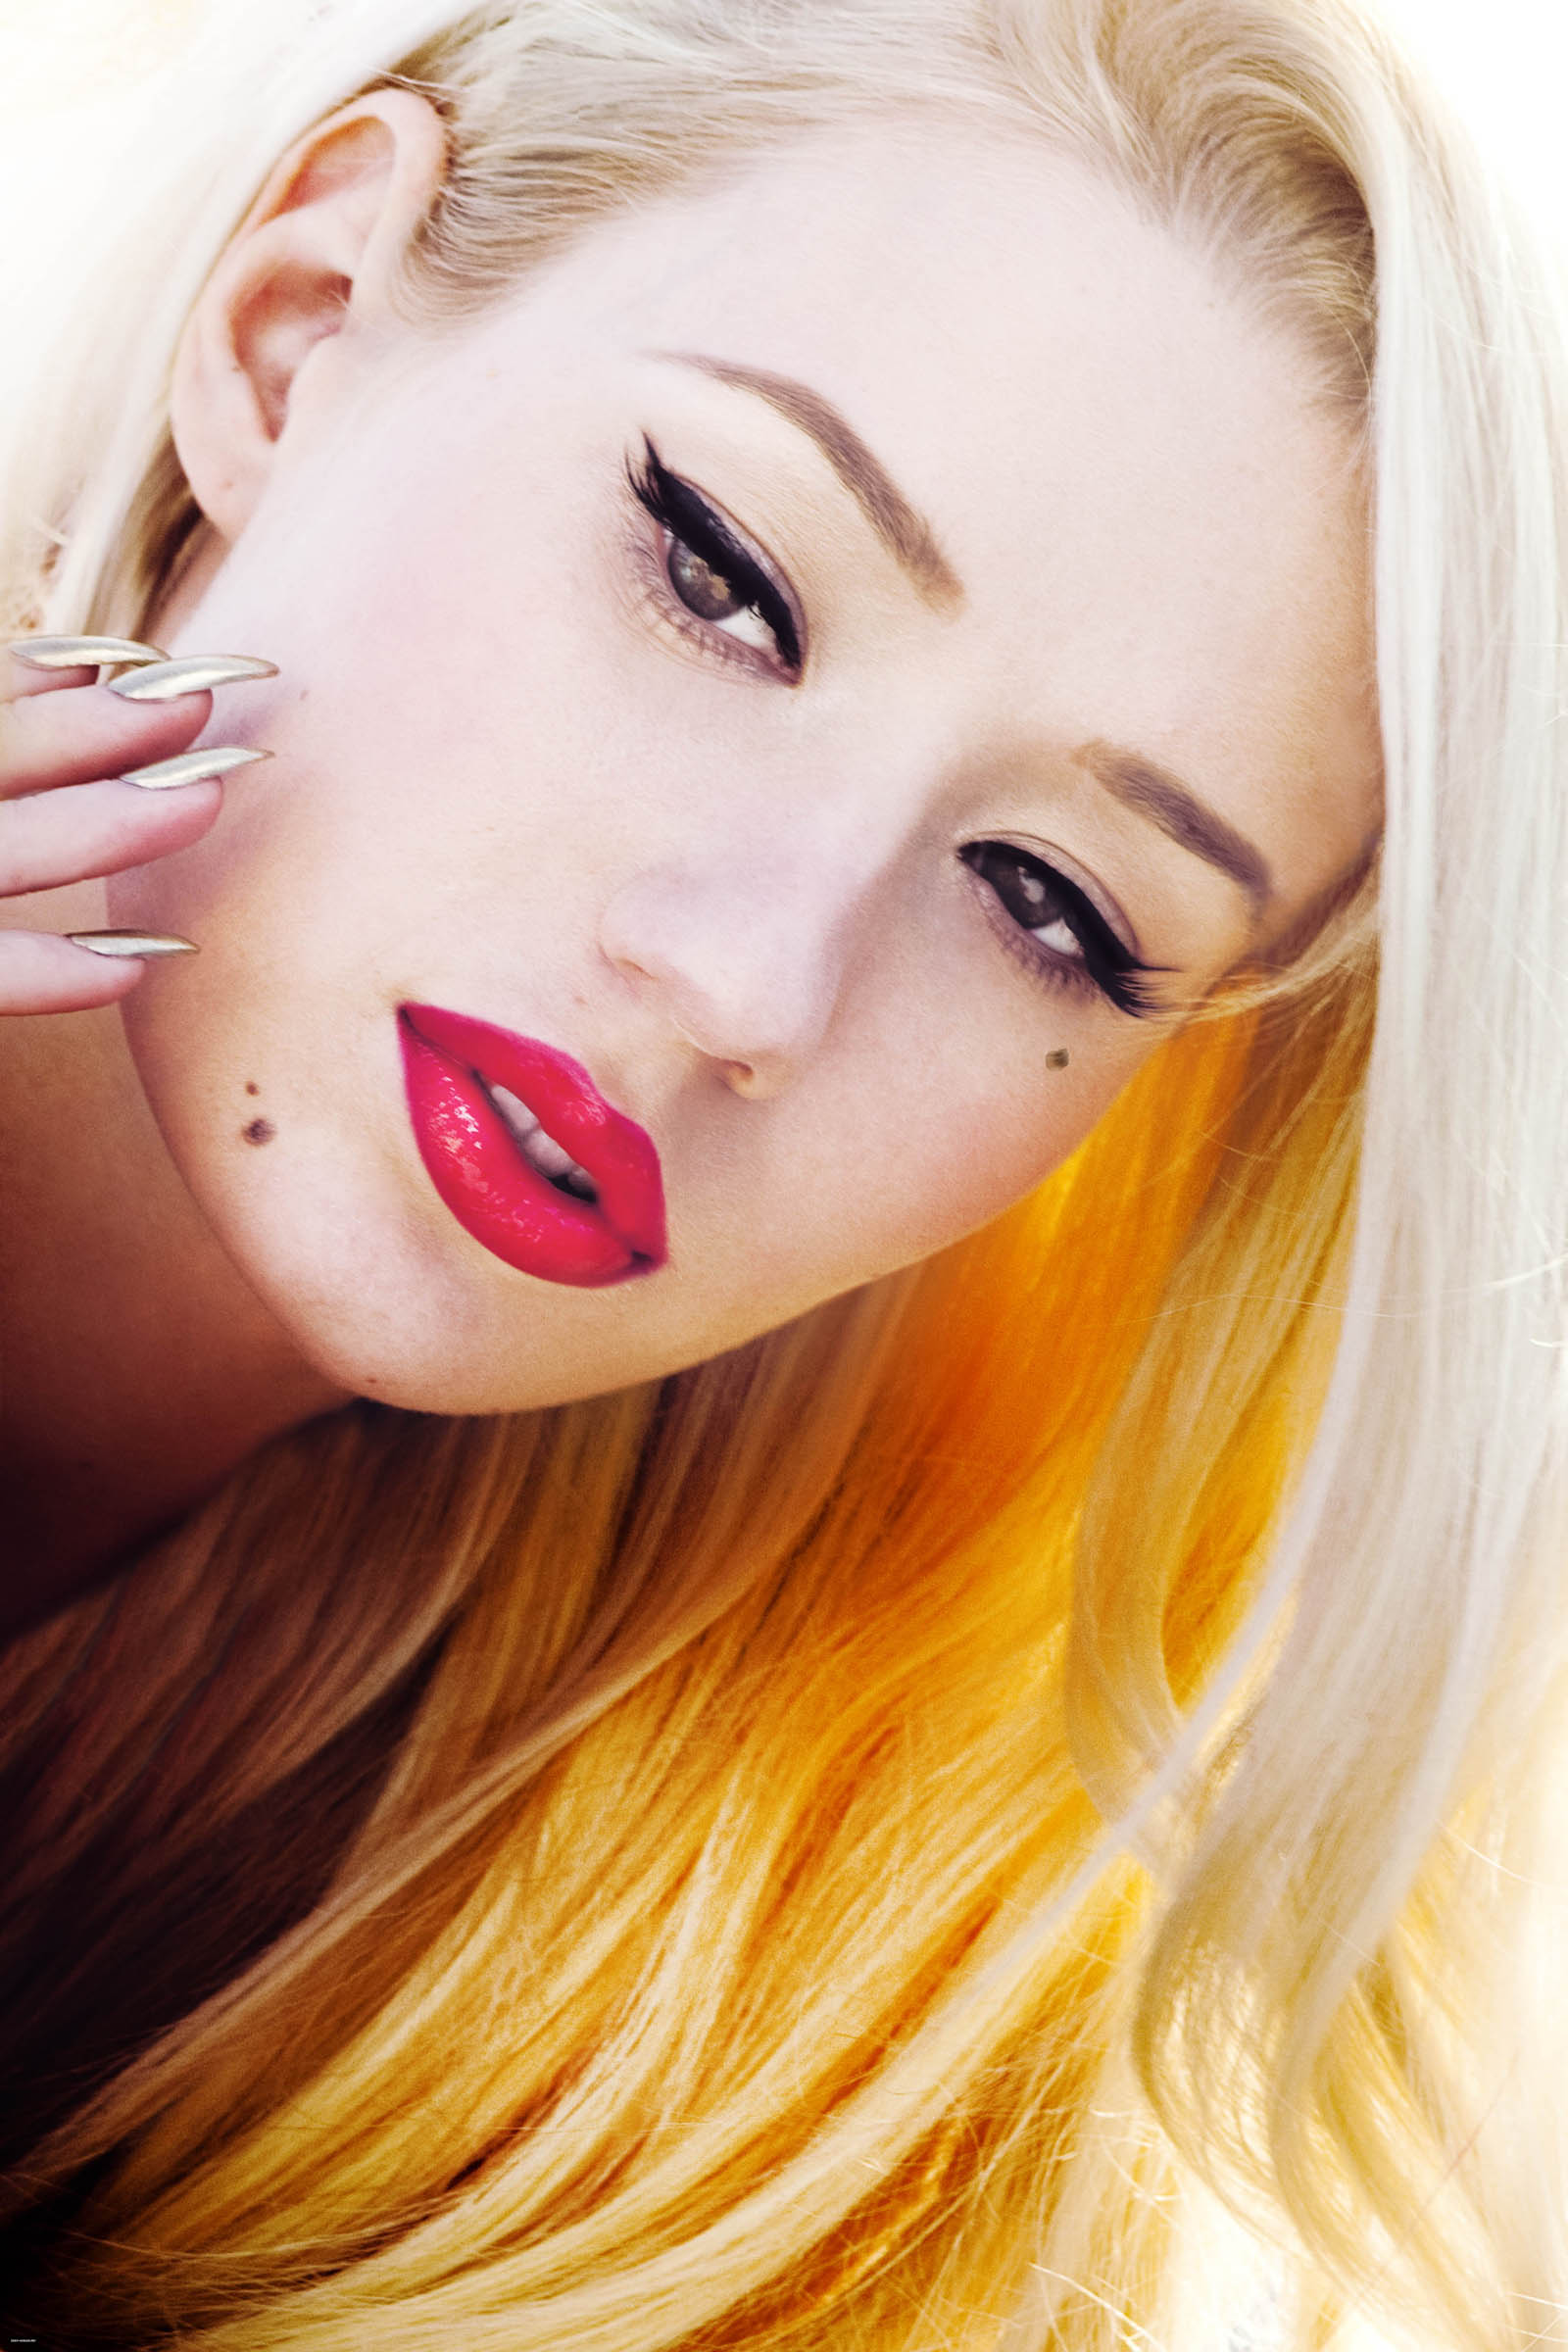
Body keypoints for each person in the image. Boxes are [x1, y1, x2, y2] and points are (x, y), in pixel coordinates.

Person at [0, 0, 1561, 2342]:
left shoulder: (728, 2095)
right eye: (720, 576)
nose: (749, 979)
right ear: (294, 327)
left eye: (1051, 906)